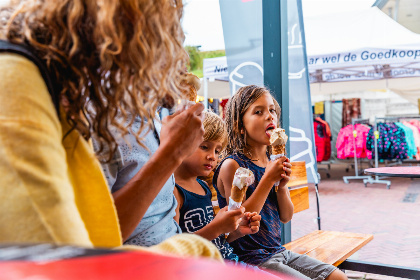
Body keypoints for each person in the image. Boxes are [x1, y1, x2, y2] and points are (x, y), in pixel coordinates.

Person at [0, 0, 222, 261]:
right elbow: (71, 258)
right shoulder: (28, 86)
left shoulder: (124, 98)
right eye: (161, 35)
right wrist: (171, 155)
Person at [213, 85, 347, 279]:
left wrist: (282, 187)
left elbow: (286, 216)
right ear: (239, 125)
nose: (270, 116)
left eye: (272, 110)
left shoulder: (271, 161)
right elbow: (239, 221)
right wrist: (267, 180)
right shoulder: (232, 165)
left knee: (339, 277)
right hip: (249, 259)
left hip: (278, 251)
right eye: (258, 112)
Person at [173, 111, 261, 263]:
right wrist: (217, 227)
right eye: (204, 147)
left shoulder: (203, 187)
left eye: (217, 151)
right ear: (180, 143)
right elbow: (174, 249)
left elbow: (217, 241)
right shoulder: (174, 191)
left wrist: (238, 231)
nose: (212, 156)